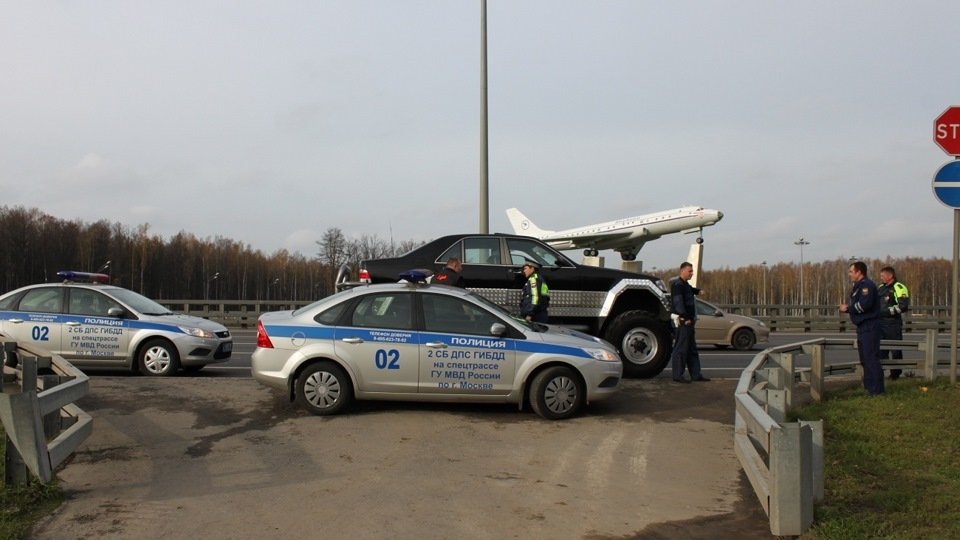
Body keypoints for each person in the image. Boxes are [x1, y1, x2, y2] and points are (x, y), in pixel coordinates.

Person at [838, 261, 884, 396]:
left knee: (871, 358)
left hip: (869, 326)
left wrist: (847, 308)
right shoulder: (858, 287)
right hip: (863, 327)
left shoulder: (866, 286)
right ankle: (870, 388)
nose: (849, 274)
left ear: (859, 272)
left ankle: (877, 390)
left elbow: (864, 305)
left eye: (851, 271)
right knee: (865, 359)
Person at [669, 262, 709, 383]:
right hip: (683, 322)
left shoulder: (685, 285)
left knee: (692, 349)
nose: (692, 273)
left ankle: (696, 374)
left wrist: (698, 291)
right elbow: (678, 303)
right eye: (690, 271)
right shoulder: (677, 285)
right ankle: (677, 375)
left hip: (689, 321)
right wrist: (685, 317)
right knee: (681, 348)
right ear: (682, 271)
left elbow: (691, 290)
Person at [877, 266, 910, 380]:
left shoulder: (899, 287)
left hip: (893, 323)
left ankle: (895, 374)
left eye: (882, 275)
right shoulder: (881, 288)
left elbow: (903, 306)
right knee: (880, 349)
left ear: (890, 275)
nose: (881, 277)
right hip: (880, 324)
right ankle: (879, 373)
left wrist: (886, 312)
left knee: (895, 349)